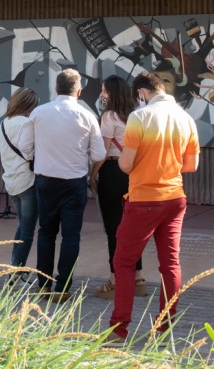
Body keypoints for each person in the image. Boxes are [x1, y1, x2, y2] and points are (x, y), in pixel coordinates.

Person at [108, 72, 200, 340]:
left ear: (142, 93)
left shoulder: (140, 117)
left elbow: (125, 165)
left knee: (123, 262)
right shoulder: (186, 119)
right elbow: (191, 166)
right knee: (170, 264)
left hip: (143, 199)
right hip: (174, 198)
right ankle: (163, 328)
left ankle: (119, 328)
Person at [19, 68, 105, 301]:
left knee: (46, 231)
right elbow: (99, 154)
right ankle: (63, 287)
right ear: (79, 91)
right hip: (74, 182)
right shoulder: (87, 116)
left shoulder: (39, 113)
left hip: (45, 181)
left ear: (56, 88)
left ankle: (43, 285)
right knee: (71, 235)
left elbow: (25, 148)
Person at [91, 76, 148, 299]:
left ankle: (116, 279)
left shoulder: (109, 117)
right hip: (135, 174)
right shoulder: (137, 115)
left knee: (114, 229)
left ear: (113, 93)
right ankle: (138, 277)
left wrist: (92, 174)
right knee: (134, 227)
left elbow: (102, 153)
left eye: (104, 91)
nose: (101, 95)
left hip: (113, 173)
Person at [0, 87, 40, 272]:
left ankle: (14, 266)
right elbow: (27, 150)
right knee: (28, 230)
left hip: (11, 180)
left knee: (22, 227)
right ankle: (17, 271)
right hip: (27, 181)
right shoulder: (26, 123)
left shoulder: (4, 123)